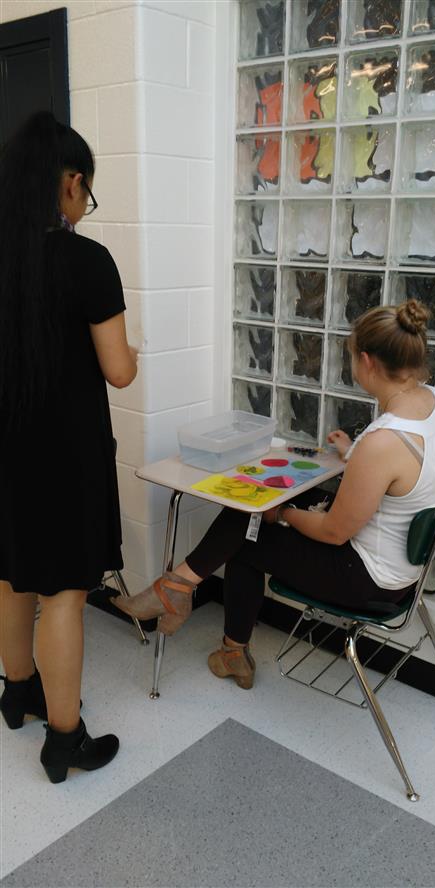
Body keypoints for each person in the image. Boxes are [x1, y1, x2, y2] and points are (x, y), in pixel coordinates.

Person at [114, 300, 435, 691]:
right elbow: (405, 476)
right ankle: (184, 597)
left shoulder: (383, 443)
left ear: (366, 361)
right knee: (250, 518)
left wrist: (282, 515)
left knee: (243, 532)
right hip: (405, 569)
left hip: (368, 580)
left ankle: (189, 604)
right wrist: (353, 456)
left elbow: (335, 532)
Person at [0, 112, 138, 782]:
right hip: (64, 451)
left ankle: (17, 690)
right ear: (70, 181)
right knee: (63, 593)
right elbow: (118, 369)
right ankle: (64, 737)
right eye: (87, 190)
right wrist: (131, 351)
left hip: (3, 445)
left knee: (9, 572)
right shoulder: (86, 259)